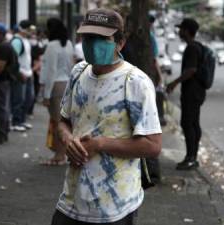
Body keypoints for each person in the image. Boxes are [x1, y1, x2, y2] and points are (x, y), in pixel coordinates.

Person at [51, 8, 162, 225]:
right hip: (71, 200)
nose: (92, 44)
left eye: (102, 39)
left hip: (114, 207)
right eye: (88, 38)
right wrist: (67, 139)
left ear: (120, 42)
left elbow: (153, 145)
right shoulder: (78, 72)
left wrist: (100, 144)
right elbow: (63, 121)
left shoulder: (135, 82)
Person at [167, 18, 205, 170]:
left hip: (192, 93)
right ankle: (193, 157)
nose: (179, 31)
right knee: (194, 123)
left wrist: (174, 83)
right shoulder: (198, 46)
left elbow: (191, 70)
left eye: (181, 29)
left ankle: (191, 158)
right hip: (198, 92)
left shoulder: (191, 49)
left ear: (187, 31)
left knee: (188, 123)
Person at [40, 18, 74, 166]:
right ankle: (63, 153)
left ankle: (60, 155)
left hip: (55, 85)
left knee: (57, 122)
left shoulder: (51, 46)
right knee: (65, 121)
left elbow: (50, 71)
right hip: (67, 84)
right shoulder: (69, 44)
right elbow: (72, 65)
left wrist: (46, 94)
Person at [10, 20, 34, 132]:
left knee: (28, 98)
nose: (31, 31)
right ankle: (16, 122)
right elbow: (13, 60)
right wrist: (19, 73)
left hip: (28, 73)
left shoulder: (25, 40)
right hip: (21, 74)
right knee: (19, 99)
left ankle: (22, 120)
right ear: (23, 29)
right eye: (29, 29)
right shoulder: (17, 41)